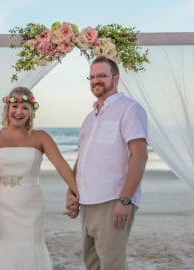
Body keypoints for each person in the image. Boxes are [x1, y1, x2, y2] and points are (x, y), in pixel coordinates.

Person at [0, 86, 79, 270]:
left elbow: (61, 166)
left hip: (31, 206)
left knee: (31, 248)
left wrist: (78, 194)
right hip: (0, 206)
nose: (19, 112)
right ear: (7, 108)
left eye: (25, 107)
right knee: (1, 249)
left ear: (31, 112)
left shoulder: (41, 137)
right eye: (15, 106)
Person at [66, 56, 148, 270]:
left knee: (112, 265)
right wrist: (72, 191)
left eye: (102, 75)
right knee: (92, 264)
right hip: (87, 202)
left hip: (113, 200)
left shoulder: (129, 109)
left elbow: (139, 155)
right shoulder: (89, 118)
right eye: (92, 77)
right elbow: (83, 158)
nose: (96, 80)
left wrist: (125, 200)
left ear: (116, 78)